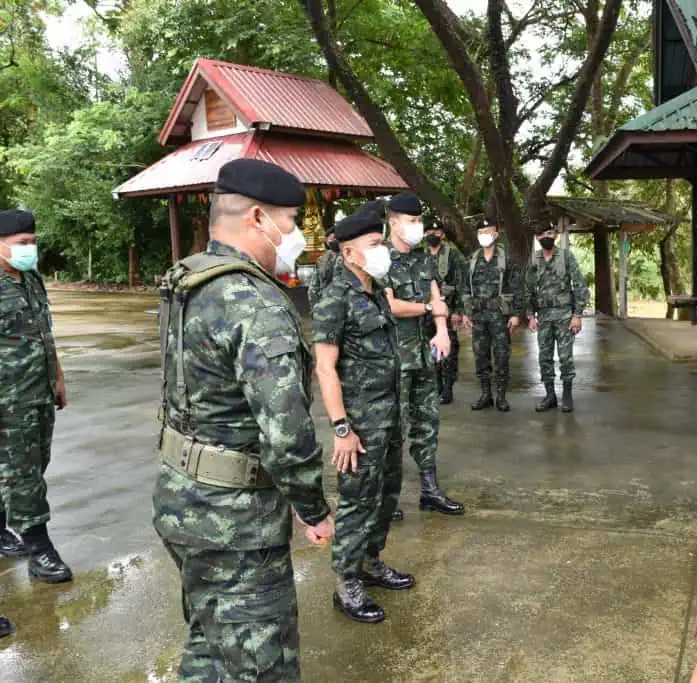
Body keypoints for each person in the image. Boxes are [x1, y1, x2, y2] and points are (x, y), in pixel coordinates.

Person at [152, 159, 334, 680]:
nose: (297, 234)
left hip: (181, 499)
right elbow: (286, 432)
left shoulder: (188, 281)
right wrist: (312, 508)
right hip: (236, 523)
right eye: (293, 220)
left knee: (211, 648)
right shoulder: (254, 301)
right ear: (258, 217)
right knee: (263, 666)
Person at [312, 204, 414, 624]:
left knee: (386, 496)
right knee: (357, 503)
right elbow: (324, 367)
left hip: (388, 418)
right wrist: (341, 429)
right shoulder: (335, 298)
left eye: (381, 243)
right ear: (350, 254)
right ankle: (347, 584)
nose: (382, 250)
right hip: (358, 425)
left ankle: (372, 562)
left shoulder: (375, 293)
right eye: (374, 245)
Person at [0, 208, 72, 583]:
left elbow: (45, 333)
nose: (30, 249)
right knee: (24, 474)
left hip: (38, 392)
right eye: (21, 243)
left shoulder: (30, 279)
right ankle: (39, 548)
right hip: (7, 399)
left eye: (33, 242)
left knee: (31, 464)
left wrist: (57, 377)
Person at [381, 193, 464, 517]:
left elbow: (436, 296)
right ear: (394, 223)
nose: (418, 227)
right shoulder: (380, 259)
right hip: (394, 358)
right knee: (393, 427)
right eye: (412, 221)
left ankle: (429, 491)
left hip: (422, 355)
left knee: (427, 423)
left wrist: (441, 329)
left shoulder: (422, 259)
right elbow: (390, 305)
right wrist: (429, 309)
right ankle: (389, 498)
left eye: (420, 221)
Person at [525, 221, 589, 413]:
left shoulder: (566, 256)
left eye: (550, 232)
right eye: (542, 233)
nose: (546, 236)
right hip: (543, 317)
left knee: (565, 357)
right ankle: (550, 395)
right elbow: (528, 290)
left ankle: (567, 396)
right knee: (544, 357)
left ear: (555, 235)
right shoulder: (534, 260)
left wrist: (577, 315)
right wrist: (530, 316)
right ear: (537, 237)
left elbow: (580, 286)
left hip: (564, 315)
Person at [466, 217, 522, 412]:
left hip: (499, 316)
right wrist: (466, 312)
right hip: (478, 315)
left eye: (488, 232)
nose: (484, 236)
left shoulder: (506, 259)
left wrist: (516, 314)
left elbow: (516, 287)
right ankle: (485, 394)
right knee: (481, 356)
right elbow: (465, 287)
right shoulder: (472, 259)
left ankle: (501, 396)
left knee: (501, 356)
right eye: (481, 233)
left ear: (496, 235)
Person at [424, 216, 468, 405]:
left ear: (442, 234)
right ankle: (435, 386)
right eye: (428, 232)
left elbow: (461, 283)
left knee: (448, 350)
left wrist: (459, 310)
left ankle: (448, 387)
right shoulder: (421, 255)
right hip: (425, 310)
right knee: (428, 350)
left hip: (448, 310)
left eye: (436, 232)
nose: (432, 235)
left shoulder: (452, 255)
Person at [307, 221, 339, 309]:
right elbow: (314, 287)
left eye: (335, 238)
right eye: (331, 238)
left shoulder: (347, 256)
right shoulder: (322, 259)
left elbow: (313, 289)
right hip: (326, 303)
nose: (333, 240)